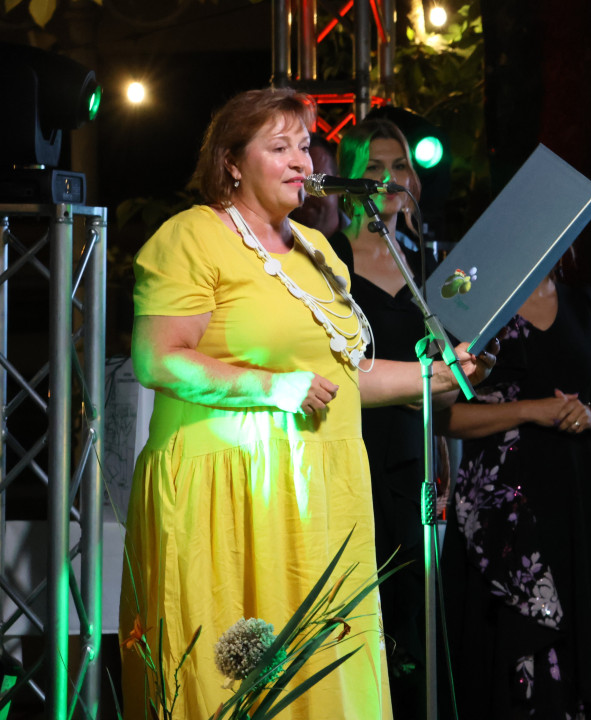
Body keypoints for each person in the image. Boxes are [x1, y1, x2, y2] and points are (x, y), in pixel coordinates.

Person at [118, 87, 496, 720]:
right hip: (230, 492)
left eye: (305, 145)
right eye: (279, 147)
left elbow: (345, 376)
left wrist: (437, 375)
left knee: (326, 682)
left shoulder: (320, 253)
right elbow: (160, 360)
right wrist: (275, 388)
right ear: (231, 163)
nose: (301, 160)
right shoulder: (191, 237)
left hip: (323, 491)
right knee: (237, 682)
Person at [436, 263, 591, 719]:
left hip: (580, 499)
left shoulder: (582, 302)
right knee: (508, 646)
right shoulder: (476, 303)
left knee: (583, 636)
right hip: (500, 506)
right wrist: (531, 410)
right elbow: (445, 416)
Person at [325, 116, 435, 720]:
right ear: (350, 177)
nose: (388, 179)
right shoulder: (330, 259)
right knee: (363, 599)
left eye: (398, 167)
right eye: (373, 167)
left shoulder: (426, 264)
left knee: (414, 606)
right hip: (355, 444)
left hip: (413, 449)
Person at [290, 133, 351, 237]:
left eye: (316, 182)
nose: (306, 192)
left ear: (339, 187)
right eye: (297, 181)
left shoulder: (366, 242)